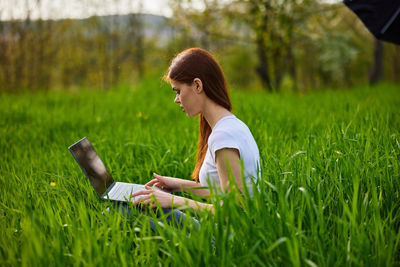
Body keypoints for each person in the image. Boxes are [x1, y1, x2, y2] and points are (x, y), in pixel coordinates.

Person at [130, 48, 261, 217]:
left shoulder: (224, 136)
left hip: (222, 238)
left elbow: (235, 211)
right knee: (135, 203)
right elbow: (222, 192)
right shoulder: (231, 126)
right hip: (224, 231)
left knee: (125, 209)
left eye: (178, 91)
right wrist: (178, 185)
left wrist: (173, 200)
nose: (176, 99)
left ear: (197, 85)